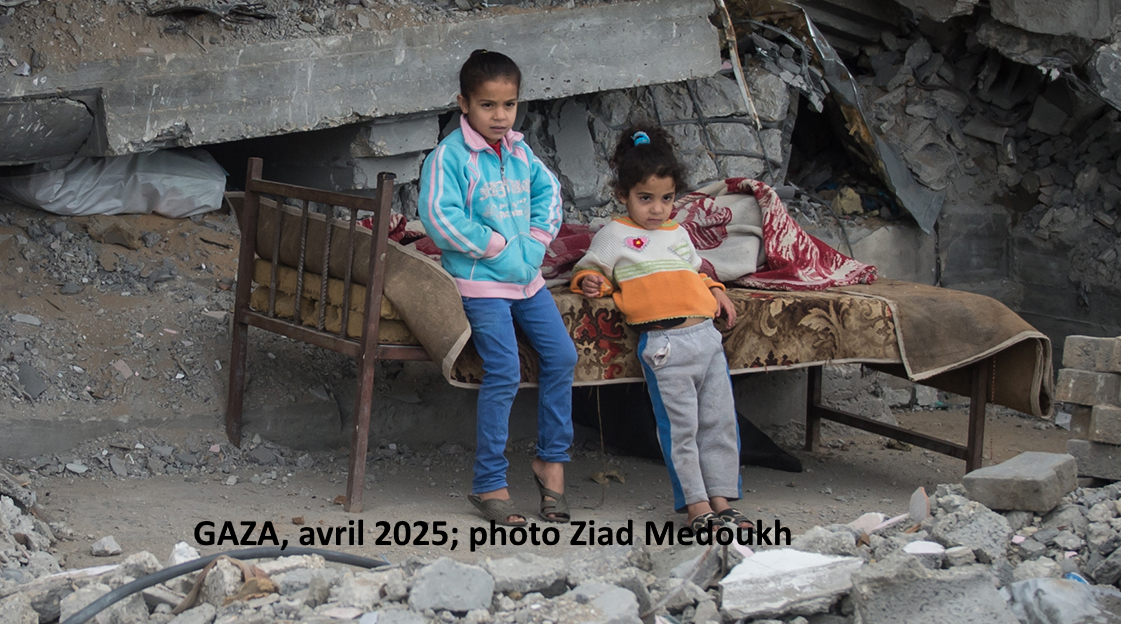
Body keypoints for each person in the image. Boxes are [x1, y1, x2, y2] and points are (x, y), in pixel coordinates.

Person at [419, 50, 577, 526]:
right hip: (481, 282)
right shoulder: (450, 156)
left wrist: (534, 243)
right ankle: (490, 480)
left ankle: (551, 461)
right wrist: (497, 248)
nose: (500, 116)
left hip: (528, 282)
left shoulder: (520, 149)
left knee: (562, 356)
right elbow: (440, 216)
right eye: (488, 105)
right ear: (464, 103)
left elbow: (549, 195)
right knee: (504, 369)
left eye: (508, 105)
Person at [570, 124, 753, 533]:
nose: (657, 209)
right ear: (623, 196)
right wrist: (591, 282)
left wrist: (717, 290)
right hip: (665, 344)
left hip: (706, 339)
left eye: (667, 199)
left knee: (720, 424)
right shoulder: (614, 235)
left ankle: (724, 502)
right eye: (646, 199)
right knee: (681, 431)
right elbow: (587, 270)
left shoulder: (678, 233)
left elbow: (694, 272)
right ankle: (697, 507)